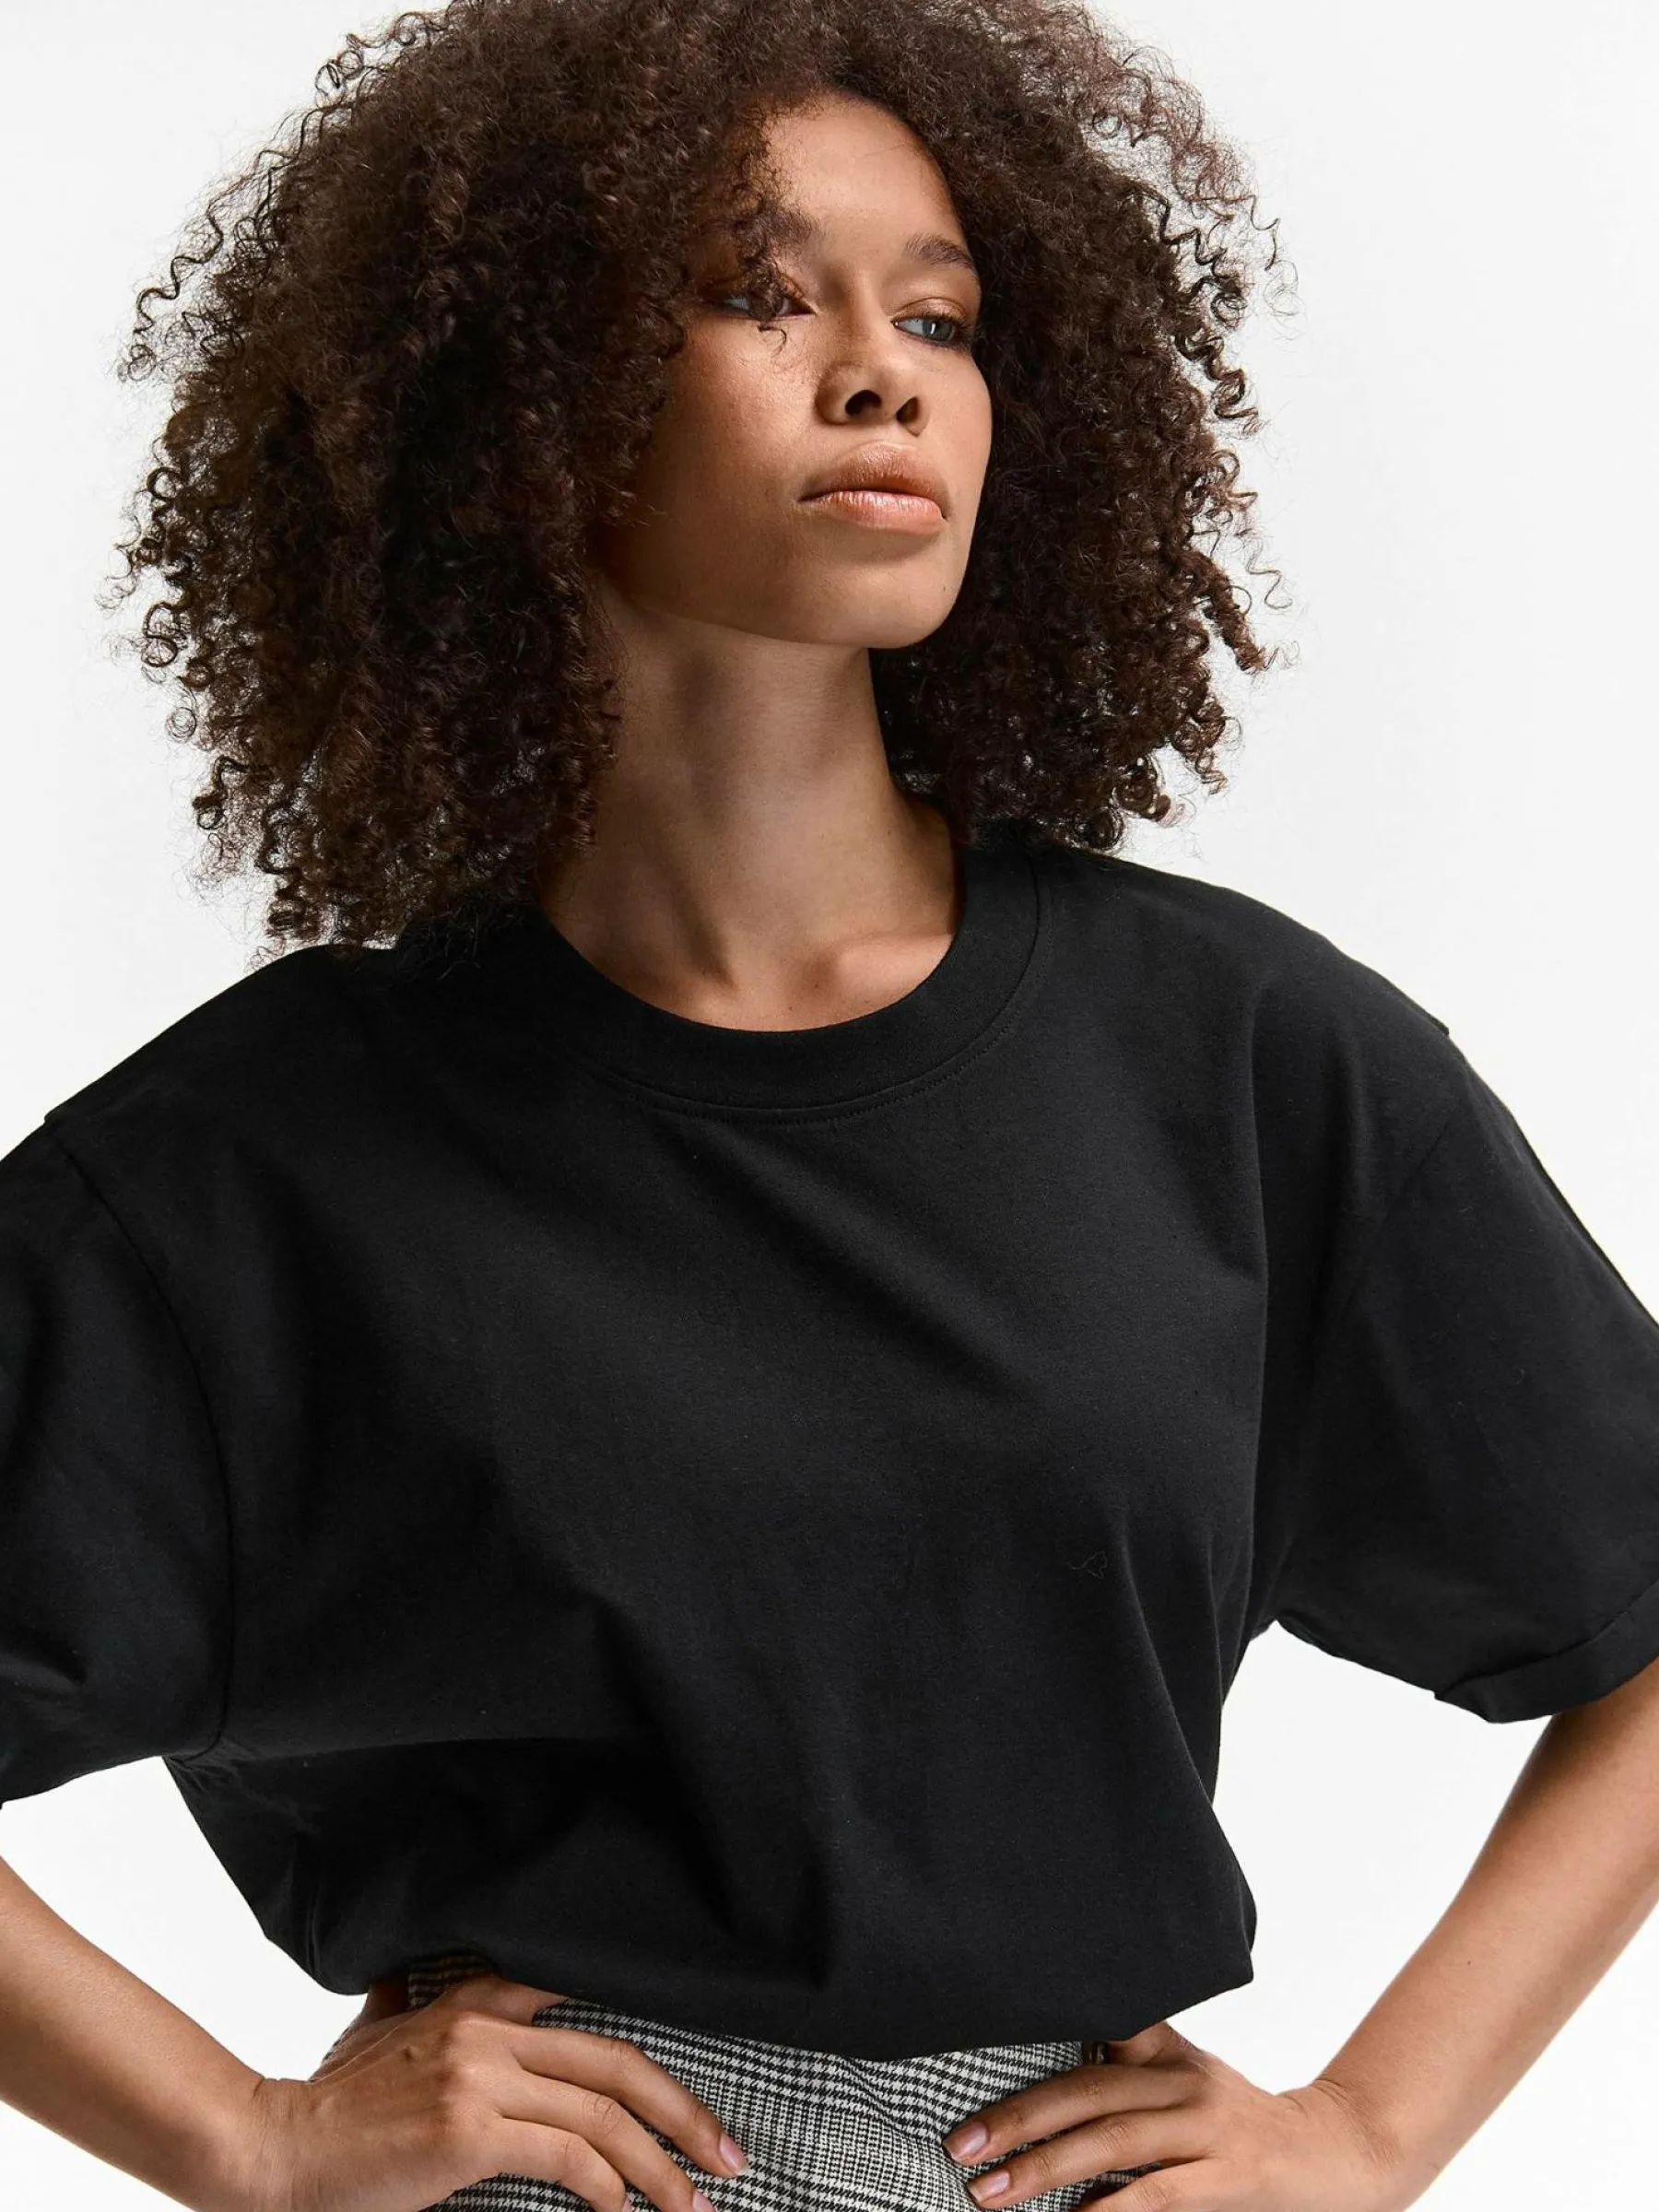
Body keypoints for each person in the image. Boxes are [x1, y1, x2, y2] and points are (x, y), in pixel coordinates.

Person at [4, 2, 1658, 2209]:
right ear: (516, 397)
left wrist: (1371, 2131)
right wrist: (240, 2135)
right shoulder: (250, 1168)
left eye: (942, 317)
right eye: (760, 294)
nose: (884, 374)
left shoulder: (1239, 1055)